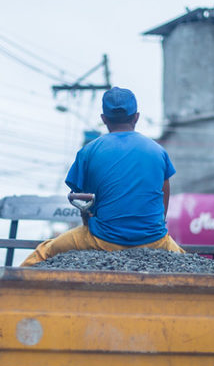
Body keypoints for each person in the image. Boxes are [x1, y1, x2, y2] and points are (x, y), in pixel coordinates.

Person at [21, 87, 184, 266]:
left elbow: (82, 201)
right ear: (136, 116)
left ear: (104, 118)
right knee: (186, 261)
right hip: (155, 240)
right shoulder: (158, 151)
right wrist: (154, 227)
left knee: (43, 253)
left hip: (102, 240)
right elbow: (164, 193)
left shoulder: (89, 151)